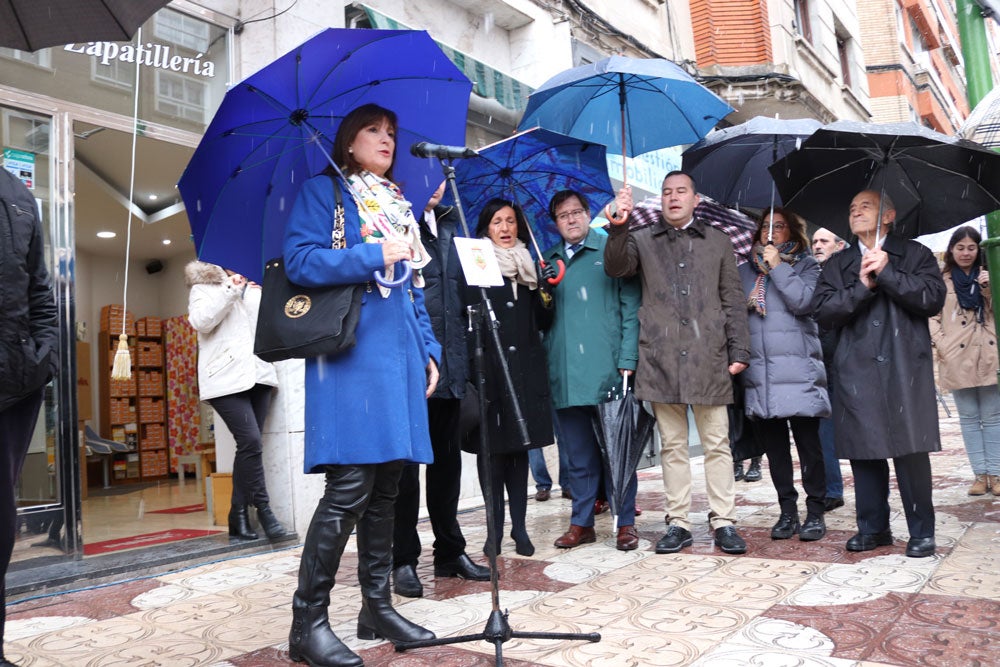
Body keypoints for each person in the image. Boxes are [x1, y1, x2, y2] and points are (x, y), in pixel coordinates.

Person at [283, 103, 439, 666]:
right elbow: (300, 261)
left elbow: (412, 287)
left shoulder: (396, 204)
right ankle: (307, 623)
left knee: (389, 485)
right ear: (349, 141)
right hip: (350, 357)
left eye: (391, 132)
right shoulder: (323, 192)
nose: (386, 139)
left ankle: (377, 608)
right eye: (373, 130)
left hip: (398, 358)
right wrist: (372, 253)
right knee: (350, 486)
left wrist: (429, 350)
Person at [604, 170, 751, 556]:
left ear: (695, 199)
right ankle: (679, 522)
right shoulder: (642, 239)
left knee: (717, 443)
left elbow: (732, 298)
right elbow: (616, 268)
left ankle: (723, 520)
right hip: (661, 356)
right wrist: (618, 226)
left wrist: (739, 350)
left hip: (709, 356)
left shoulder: (717, 241)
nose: (673, 197)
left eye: (681, 191)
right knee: (672, 445)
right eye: (667, 191)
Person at [812, 189, 945, 558]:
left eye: (866, 206)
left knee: (911, 451)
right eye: (852, 208)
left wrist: (888, 273)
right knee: (865, 451)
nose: (856, 212)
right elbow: (823, 312)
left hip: (905, 366)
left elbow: (932, 299)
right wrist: (862, 287)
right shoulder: (838, 264)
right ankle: (873, 528)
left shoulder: (915, 254)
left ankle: (922, 531)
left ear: (888, 216)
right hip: (856, 367)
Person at [391, 182, 490, 598]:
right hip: (412, 366)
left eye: (439, 177)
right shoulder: (395, 222)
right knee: (406, 473)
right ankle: (403, 559)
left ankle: (450, 552)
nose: (433, 185)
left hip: (451, 364)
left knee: (447, 467)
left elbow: (464, 296)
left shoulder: (452, 224)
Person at [542, 190, 642, 551]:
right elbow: (542, 319)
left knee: (618, 450)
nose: (571, 219)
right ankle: (581, 522)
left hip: (609, 369)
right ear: (556, 223)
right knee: (578, 456)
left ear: (588, 214)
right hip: (565, 373)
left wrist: (628, 358)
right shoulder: (548, 260)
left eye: (576, 212)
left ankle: (625, 522)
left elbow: (631, 308)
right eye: (562, 215)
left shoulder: (611, 250)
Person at [465, 198, 556, 558]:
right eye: (497, 222)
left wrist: (546, 290)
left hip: (525, 374)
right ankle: (494, 532)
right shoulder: (476, 262)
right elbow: (467, 316)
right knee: (491, 457)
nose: (505, 228)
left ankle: (519, 528)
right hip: (491, 374)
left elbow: (544, 321)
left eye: (511, 221)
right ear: (486, 228)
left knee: (519, 454)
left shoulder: (529, 265)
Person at [739, 208, 829, 541]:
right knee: (776, 451)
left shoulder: (807, 265)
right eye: (766, 226)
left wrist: (777, 266)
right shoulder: (743, 271)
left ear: (792, 232)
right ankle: (787, 512)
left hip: (799, 371)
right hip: (761, 374)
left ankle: (815, 511)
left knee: (809, 447)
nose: (771, 232)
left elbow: (804, 302)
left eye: (779, 226)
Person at [0, 168, 58, 667]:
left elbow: (39, 290)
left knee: (2, 525)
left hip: (16, 381)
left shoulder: (16, 193)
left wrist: (45, 357)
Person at [186, 261, 285, 541]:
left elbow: (272, 326)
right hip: (223, 377)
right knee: (250, 441)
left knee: (249, 446)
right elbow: (201, 322)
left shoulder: (255, 286)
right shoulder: (203, 287)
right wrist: (230, 289)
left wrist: (264, 294)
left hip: (258, 373)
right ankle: (264, 510)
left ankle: (238, 514)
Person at [930, 226, 1000, 496]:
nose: (966, 253)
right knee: (969, 418)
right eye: (960, 248)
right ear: (952, 250)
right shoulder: (941, 279)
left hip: (989, 353)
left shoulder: (991, 274)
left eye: (971, 248)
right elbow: (931, 316)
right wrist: (943, 344)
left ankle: (996, 474)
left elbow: (995, 311)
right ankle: (980, 475)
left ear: (979, 250)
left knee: (993, 417)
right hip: (957, 357)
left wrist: (989, 287)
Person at [811, 227, 848, 511]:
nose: (817, 245)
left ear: (839, 245)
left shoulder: (849, 273)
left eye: (824, 241)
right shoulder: (810, 275)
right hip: (819, 364)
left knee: (858, 431)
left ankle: (871, 494)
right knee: (823, 433)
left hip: (848, 362)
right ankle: (832, 490)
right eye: (814, 241)